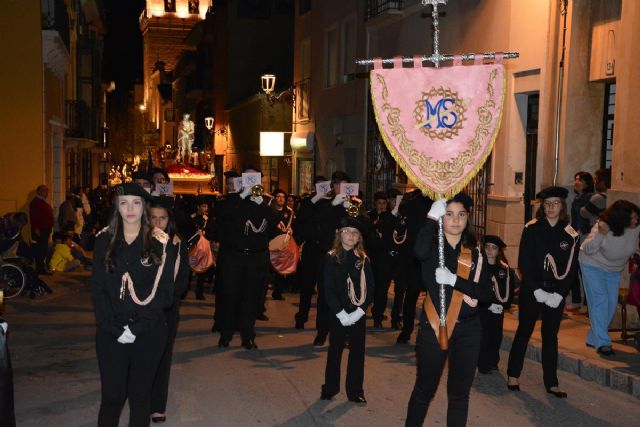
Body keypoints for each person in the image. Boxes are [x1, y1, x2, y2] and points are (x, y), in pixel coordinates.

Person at [91, 183, 177, 427]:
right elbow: (98, 290)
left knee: (140, 397)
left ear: (144, 206)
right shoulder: (103, 240)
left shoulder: (160, 243)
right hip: (112, 331)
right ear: (116, 206)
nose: (130, 208)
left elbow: (165, 294)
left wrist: (136, 329)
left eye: (136, 202)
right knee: (112, 396)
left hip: (148, 330)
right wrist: (114, 329)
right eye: (124, 202)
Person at [405, 193, 491, 427]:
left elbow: (485, 294)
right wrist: (431, 218)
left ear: (467, 219)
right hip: (435, 325)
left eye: (461, 214)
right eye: (449, 214)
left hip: (469, 329)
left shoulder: (475, 252)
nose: (456, 220)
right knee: (425, 390)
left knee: (460, 393)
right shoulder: (432, 247)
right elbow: (418, 252)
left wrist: (455, 281)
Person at [507, 186, 579, 398]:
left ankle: (552, 382)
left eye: (555, 204)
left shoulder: (570, 234)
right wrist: (536, 289)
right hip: (533, 290)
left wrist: (560, 294)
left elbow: (572, 269)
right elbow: (524, 262)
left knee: (551, 337)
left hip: (556, 293)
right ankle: (513, 374)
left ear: (562, 206)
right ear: (542, 207)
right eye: (547, 204)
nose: (550, 208)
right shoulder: (532, 229)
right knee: (524, 331)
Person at [215, 167, 278, 349]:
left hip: (256, 257)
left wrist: (260, 202)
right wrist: (242, 196)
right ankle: (226, 334)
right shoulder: (231, 200)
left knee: (252, 297)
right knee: (230, 295)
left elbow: (275, 223)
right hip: (234, 256)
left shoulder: (263, 202)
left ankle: (247, 336)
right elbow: (222, 214)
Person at [321, 215, 374, 404]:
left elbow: (370, 287)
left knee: (357, 353)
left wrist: (360, 311)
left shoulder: (363, 258)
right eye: (347, 232)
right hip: (338, 313)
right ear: (340, 235)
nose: (351, 236)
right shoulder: (331, 257)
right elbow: (328, 288)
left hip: (357, 312)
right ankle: (330, 388)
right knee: (335, 350)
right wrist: (340, 313)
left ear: (359, 237)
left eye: (355, 233)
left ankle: (355, 391)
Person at [294, 171, 350, 343]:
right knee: (307, 287)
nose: (342, 188)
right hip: (314, 251)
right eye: (338, 184)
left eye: (345, 185)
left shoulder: (350, 204)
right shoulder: (322, 202)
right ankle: (303, 318)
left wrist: (350, 210)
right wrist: (333, 203)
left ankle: (324, 330)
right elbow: (312, 218)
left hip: (335, 254)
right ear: (333, 186)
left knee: (327, 295)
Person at [579, 200, 640, 356]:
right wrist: (601, 234)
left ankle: (593, 338)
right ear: (621, 219)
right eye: (632, 218)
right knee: (600, 301)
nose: (635, 221)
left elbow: (634, 244)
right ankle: (603, 343)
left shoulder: (636, 227)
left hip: (614, 269)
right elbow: (587, 248)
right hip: (592, 265)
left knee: (611, 305)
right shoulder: (603, 225)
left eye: (636, 217)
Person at [148, 196, 189, 424]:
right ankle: (141, 398)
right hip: (143, 308)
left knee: (163, 356)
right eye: (153, 218)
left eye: (162, 218)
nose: (158, 223)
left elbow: (182, 277)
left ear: (169, 220)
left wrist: (172, 299)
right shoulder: (138, 240)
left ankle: (157, 405)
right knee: (143, 357)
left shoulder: (176, 242)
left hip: (167, 308)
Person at [396, 189, 431, 344]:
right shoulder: (412, 203)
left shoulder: (412, 203)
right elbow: (401, 230)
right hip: (417, 257)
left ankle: (410, 331)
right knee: (413, 295)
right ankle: (409, 330)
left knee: (416, 296)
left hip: (427, 257)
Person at [477, 235, 513, 374]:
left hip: (498, 308)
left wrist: (504, 306)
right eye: (487, 247)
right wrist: (487, 304)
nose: (490, 251)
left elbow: (508, 289)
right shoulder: (480, 266)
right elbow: (477, 289)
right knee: (483, 335)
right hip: (483, 308)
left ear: (499, 251)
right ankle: (483, 363)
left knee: (496, 335)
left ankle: (493, 361)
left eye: (494, 248)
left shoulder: (504, 268)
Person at [567, 172, 594, 310]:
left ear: (587, 183)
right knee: (573, 268)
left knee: (583, 270)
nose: (576, 182)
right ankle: (577, 299)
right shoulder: (578, 197)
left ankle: (586, 303)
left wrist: (580, 233)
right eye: (575, 179)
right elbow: (574, 221)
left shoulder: (589, 198)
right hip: (576, 236)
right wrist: (571, 233)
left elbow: (586, 220)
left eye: (580, 180)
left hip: (584, 236)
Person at [269, 188, 297, 300]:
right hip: (270, 241)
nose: (281, 199)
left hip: (283, 242)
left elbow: (294, 225)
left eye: (283, 197)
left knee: (281, 268)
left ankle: (278, 292)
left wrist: (291, 230)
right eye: (278, 196)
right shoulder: (270, 211)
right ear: (274, 199)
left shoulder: (289, 212)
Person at [29, 185, 55, 275]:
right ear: (38, 191)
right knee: (40, 250)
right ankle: (40, 268)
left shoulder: (42, 202)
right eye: (44, 190)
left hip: (45, 230)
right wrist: (36, 228)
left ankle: (41, 268)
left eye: (47, 191)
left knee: (43, 249)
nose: (46, 193)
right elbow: (34, 217)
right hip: (40, 230)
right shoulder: (36, 202)